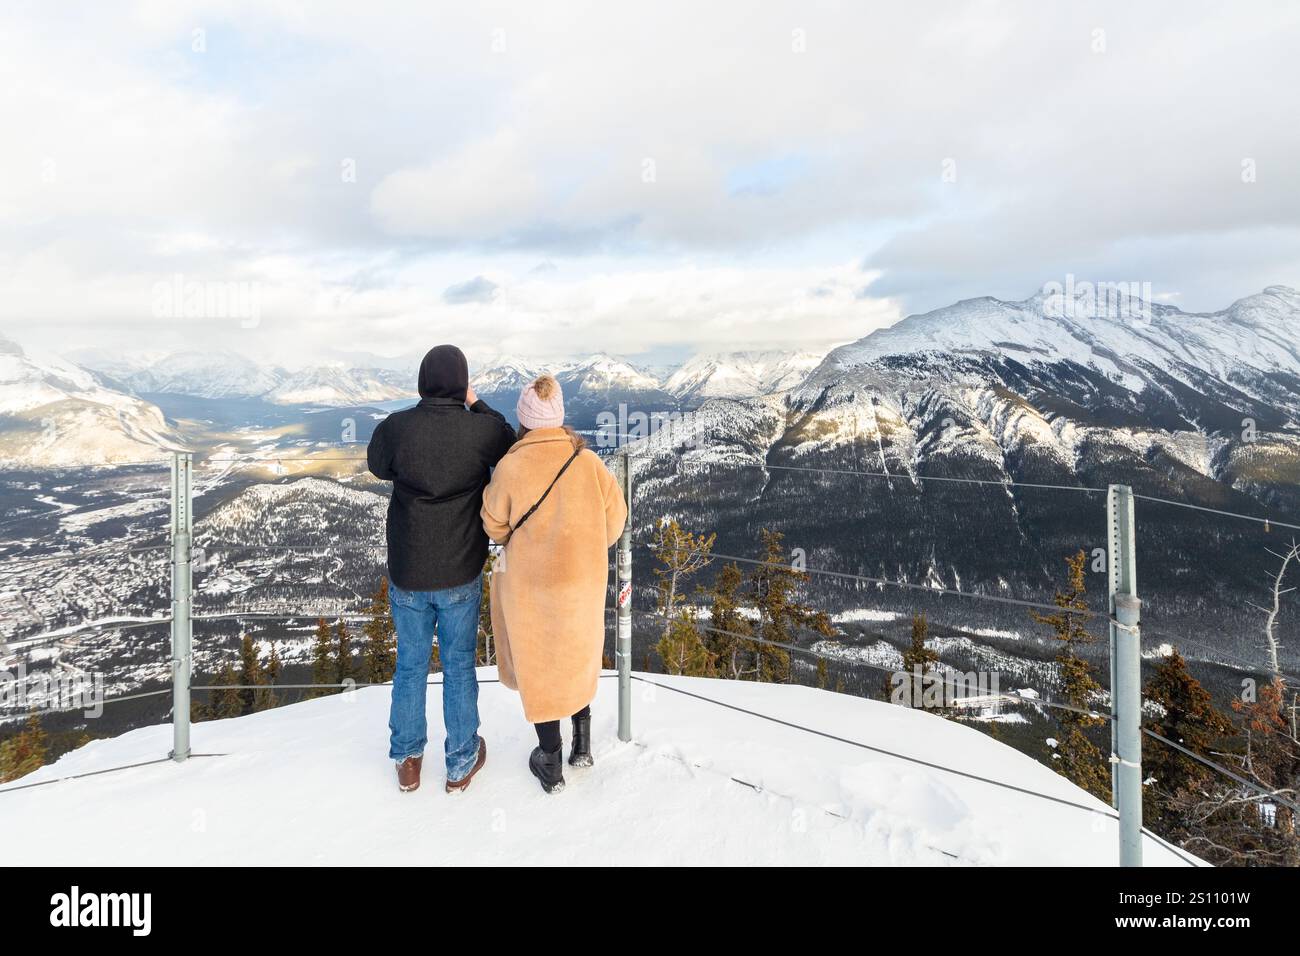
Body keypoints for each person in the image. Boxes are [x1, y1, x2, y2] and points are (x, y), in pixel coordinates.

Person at [367, 344, 515, 794]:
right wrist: (475, 402)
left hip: (409, 569)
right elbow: (508, 440)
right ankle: (460, 761)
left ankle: (408, 760)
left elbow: (378, 464)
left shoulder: (398, 428)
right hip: (459, 569)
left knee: (410, 665)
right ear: (461, 383)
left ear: (422, 381)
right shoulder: (478, 431)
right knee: (458, 665)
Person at [480, 374, 628, 794]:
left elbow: (492, 524)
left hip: (532, 588)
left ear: (524, 421)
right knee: (577, 654)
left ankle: (550, 756)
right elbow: (615, 521)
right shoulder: (589, 463)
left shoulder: (511, 466)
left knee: (540, 661)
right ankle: (582, 743)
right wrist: (582, 545)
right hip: (582, 582)